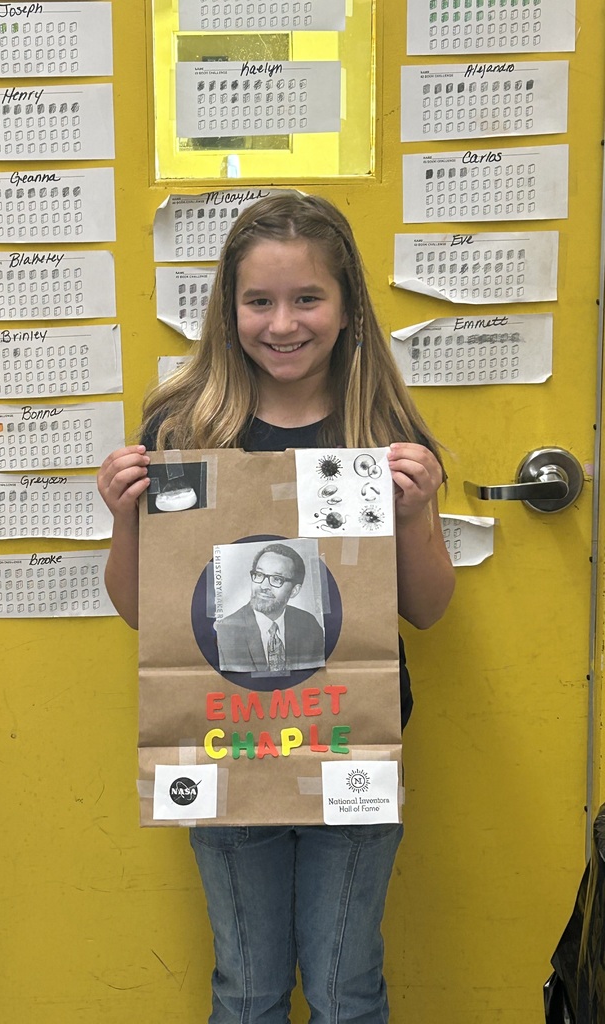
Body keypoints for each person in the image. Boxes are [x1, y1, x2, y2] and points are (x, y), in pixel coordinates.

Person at [97, 192, 455, 1024]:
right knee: (247, 988)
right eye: (259, 300)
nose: (283, 323)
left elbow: (429, 608)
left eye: (307, 299)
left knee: (344, 989)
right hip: (225, 742)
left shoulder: (381, 430)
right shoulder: (186, 427)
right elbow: (144, 613)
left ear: (347, 306)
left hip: (351, 743)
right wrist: (123, 518)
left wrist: (412, 516)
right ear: (229, 310)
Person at [215, 542, 325, 673]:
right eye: (259, 575)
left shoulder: (309, 626)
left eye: (277, 579)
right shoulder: (226, 631)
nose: (263, 586)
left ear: (294, 590)